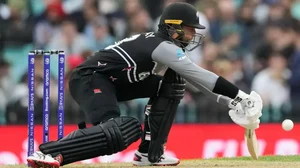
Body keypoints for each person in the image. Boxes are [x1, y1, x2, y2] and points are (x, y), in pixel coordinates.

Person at [27, 2, 263, 168]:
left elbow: (194, 81)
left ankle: (151, 154)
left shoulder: (164, 48)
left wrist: (230, 102)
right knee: (122, 129)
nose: (193, 36)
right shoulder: (163, 47)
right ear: (175, 27)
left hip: (115, 81)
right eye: (190, 30)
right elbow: (200, 75)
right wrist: (241, 97)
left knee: (172, 82)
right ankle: (49, 152)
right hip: (89, 78)